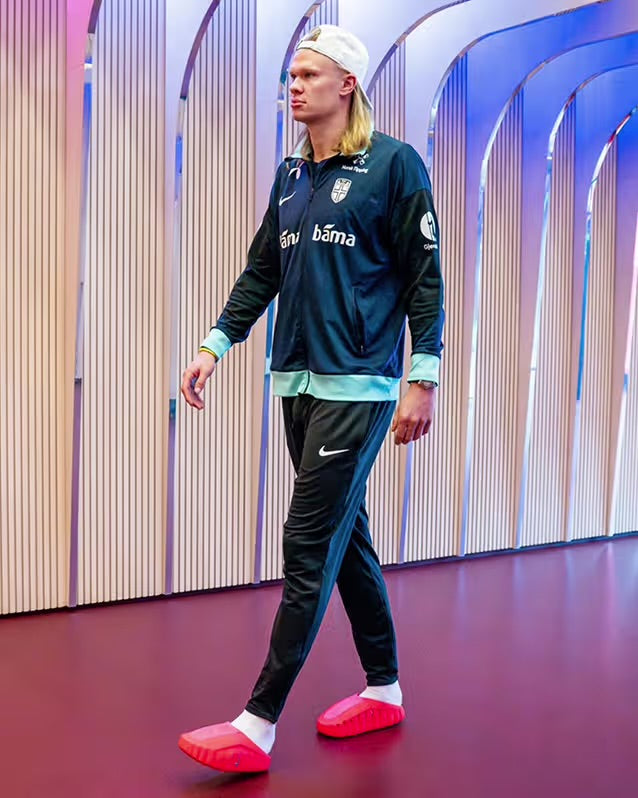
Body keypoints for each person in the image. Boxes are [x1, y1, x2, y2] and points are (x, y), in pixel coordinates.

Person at [178, 24, 444, 774]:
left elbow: (425, 278)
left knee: (306, 542)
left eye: (308, 75)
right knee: (345, 537)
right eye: (290, 76)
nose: (293, 86)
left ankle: (258, 723)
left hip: (358, 386)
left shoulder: (394, 164)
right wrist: (214, 345)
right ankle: (384, 688)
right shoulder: (292, 174)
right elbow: (262, 270)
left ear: (347, 84)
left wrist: (422, 378)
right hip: (295, 381)